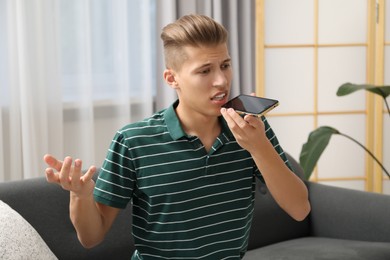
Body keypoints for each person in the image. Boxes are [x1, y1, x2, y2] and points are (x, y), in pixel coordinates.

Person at [44, 14, 310, 259]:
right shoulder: (134, 141)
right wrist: (81, 196)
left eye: (225, 65)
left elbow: (300, 209)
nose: (221, 80)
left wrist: (259, 147)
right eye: (205, 71)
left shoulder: (251, 129)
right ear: (172, 78)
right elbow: (91, 237)